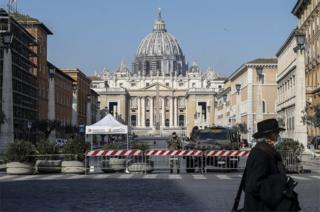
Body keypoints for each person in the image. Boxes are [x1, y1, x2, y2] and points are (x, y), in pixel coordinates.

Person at [243, 119, 301, 211]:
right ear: (271, 134)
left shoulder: (263, 150)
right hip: (260, 206)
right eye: (277, 132)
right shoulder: (261, 153)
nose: (278, 135)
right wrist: (280, 183)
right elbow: (254, 185)